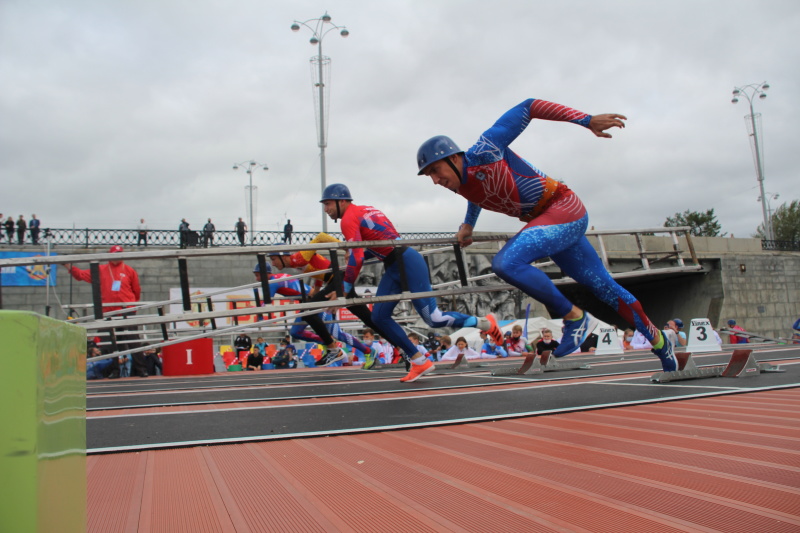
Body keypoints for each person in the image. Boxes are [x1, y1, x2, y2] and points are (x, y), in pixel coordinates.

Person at [416, 98, 677, 372]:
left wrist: (586, 120)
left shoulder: (486, 148)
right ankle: (660, 342)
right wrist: (468, 224)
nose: (435, 180)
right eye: (428, 176)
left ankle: (575, 318)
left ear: (454, 158)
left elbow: (529, 106)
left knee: (507, 263)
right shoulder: (461, 185)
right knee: (604, 288)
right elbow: (479, 194)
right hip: (548, 221)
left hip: (563, 207)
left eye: (435, 170)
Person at [320, 183, 504, 383]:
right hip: (396, 263)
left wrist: (344, 289)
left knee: (433, 319)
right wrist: (357, 254)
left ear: (342, 201)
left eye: (328, 203)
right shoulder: (363, 210)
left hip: (405, 262)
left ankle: (484, 322)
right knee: (380, 317)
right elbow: (377, 243)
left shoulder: (348, 219)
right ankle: (418, 360)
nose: (325, 209)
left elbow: (357, 258)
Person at [268, 235, 392, 369]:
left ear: (283, 255)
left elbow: (321, 237)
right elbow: (318, 271)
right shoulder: (296, 263)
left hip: (337, 281)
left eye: (273, 259)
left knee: (309, 312)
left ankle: (334, 350)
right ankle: (400, 346)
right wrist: (315, 290)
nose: (273, 264)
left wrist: (345, 247)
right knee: (367, 317)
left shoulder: (299, 258)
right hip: (335, 281)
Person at [64, 245, 147, 376]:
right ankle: (114, 370)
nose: (117, 257)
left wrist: (132, 306)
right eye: (114, 254)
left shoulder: (129, 270)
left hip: (126, 310)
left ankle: (141, 369)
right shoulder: (101, 270)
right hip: (108, 311)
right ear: (109, 255)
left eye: (119, 254)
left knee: (133, 340)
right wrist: (68, 266)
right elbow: (80, 275)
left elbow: (136, 290)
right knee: (109, 343)